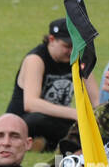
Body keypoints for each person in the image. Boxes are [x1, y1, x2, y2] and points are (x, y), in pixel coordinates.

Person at [6, 19, 99, 151]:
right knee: (37, 120)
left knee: (86, 124)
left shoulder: (78, 58)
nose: (71, 51)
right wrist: (75, 113)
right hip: (26, 120)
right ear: (51, 39)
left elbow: (96, 100)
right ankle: (64, 143)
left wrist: (98, 118)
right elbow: (31, 104)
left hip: (57, 119)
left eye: (75, 46)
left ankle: (46, 144)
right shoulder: (36, 59)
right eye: (67, 46)